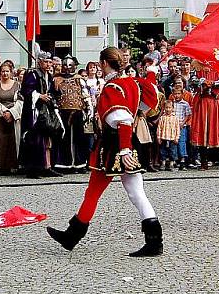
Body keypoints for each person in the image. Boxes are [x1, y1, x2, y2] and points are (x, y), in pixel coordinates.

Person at [46, 47, 164, 258]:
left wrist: (125, 149)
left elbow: (122, 120)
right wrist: (153, 72)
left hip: (114, 146)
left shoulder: (113, 88)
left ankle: (72, 236)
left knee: (94, 192)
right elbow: (151, 96)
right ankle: (154, 241)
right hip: (127, 144)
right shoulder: (133, 82)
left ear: (103, 63)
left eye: (100, 63)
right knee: (136, 193)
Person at [52, 56, 92, 172]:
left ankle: (79, 164)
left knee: (79, 139)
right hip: (62, 112)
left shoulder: (79, 79)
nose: (68, 68)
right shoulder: (56, 79)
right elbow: (53, 95)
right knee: (64, 139)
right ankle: (65, 164)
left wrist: (89, 108)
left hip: (78, 111)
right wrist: (55, 107)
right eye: (65, 65)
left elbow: (85, 94)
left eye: (70, 65)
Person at [20, 52, 56, 178]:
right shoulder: (32, 74)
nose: (48, 64)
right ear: (39, 62)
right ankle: (32, 169)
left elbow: (52, 91)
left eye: (50, 62)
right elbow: (25, 90)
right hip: (33, 112)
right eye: (46, 62)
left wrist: (51, 96)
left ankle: (46, 167)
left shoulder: (49, 76)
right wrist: (39, 96)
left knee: (47, 139)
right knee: (34, 140)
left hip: (45, 111)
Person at [0, 60, 22, 174]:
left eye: (7, 71)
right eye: (3, 71)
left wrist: (11, 113)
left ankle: (14, 164)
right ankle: (0, 166)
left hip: (13, 117)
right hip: (0, 117)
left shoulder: (17, 85)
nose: (5, 74)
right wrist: (4, 112)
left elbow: (20, 100)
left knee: (14, 140)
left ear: (11, 72)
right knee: (0, 141)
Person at [171, 86, 193, 170]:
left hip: (181, 126)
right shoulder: (172, 103)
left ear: (182, 94)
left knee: (182, 142)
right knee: (173, 143)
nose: (177, 95)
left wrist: (183, 123)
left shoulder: (185, 104)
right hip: (172, 126)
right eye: (175, 94)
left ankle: (183, 159)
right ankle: (175, 159)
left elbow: (188, 115)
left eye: (178, 94)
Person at [156, 100, 180, 171]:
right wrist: (159, 137)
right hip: (164, 137)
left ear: (172, 108)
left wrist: (177, 138)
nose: (168, 109)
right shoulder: (162, 118)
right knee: (163, 151)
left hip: (172, 138)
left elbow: (177, 128)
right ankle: (163, 163)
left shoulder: (175, 118)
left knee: (173, 151)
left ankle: (171, 164)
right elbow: (159, 128)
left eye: (169, 108)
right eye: (166, 108)